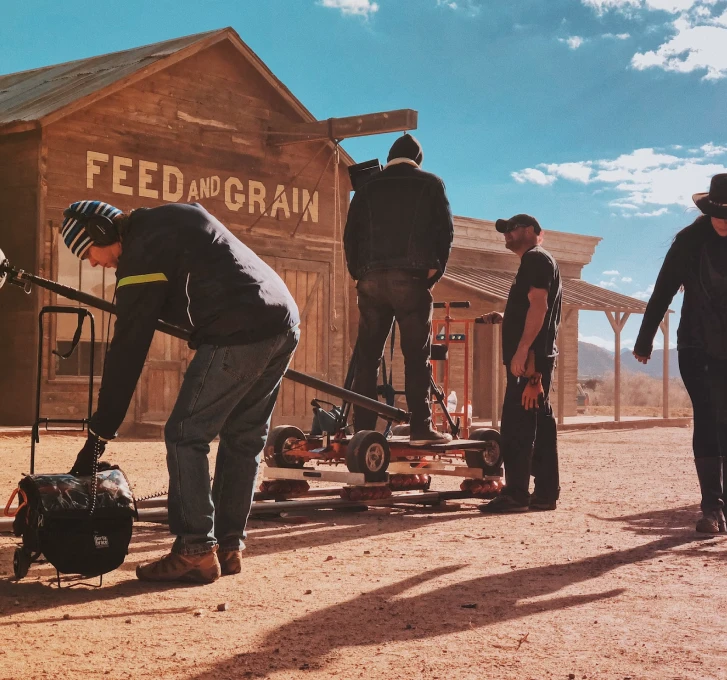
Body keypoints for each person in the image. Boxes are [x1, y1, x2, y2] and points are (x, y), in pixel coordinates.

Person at [62, 199, 300, 583]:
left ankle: (194, 550)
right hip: (283, 318)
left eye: (88, 252)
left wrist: (98, 434)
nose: (92, 263)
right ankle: (228, 545)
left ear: (102, 232)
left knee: (185, 434)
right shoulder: (169, 220)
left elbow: (127, 349)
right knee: (243, 439)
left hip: (239, 328)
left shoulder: (141, 254)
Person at [632, 173, 727, 534]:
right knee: (706, 414)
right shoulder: (689, 240)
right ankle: (709, 508)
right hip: (695, 342)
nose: (723, 221)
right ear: (708, 209)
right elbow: (663, 290)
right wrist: (644, 340)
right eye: (718, 213)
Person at [343, 134, 454, 444]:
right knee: (416, 357)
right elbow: (444, 233)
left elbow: (350, 236)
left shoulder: (366, 188)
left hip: (370, 280)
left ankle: (363, 428)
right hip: (411, 279)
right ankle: (421, 427)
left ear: (389, 156)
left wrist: (359, 272)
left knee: (368, 358)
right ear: (417, 159)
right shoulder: (431, 183)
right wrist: (432, 273)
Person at [477, 214, 562, 513]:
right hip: (535, 359)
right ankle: (545, 494)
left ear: (530, 231)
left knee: (517, 426)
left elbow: (540, 306)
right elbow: (532, 308)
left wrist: (524, 353)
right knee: (540, 424)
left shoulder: (536, 259)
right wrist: (506, 318)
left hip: (531, 362)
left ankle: (515, 494)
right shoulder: (538, 261)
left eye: (511, 230)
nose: (507, 235)